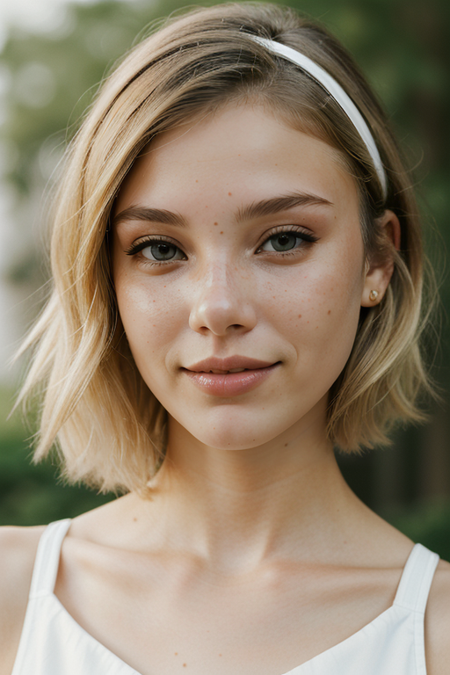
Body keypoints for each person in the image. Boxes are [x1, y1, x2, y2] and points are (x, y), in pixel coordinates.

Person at [1, 3, 449, 673]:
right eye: (158, 248)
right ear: (104, 278)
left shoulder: (436, 633)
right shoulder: (11, 597)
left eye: (285, 239)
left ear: (378, 261)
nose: (218, 308)